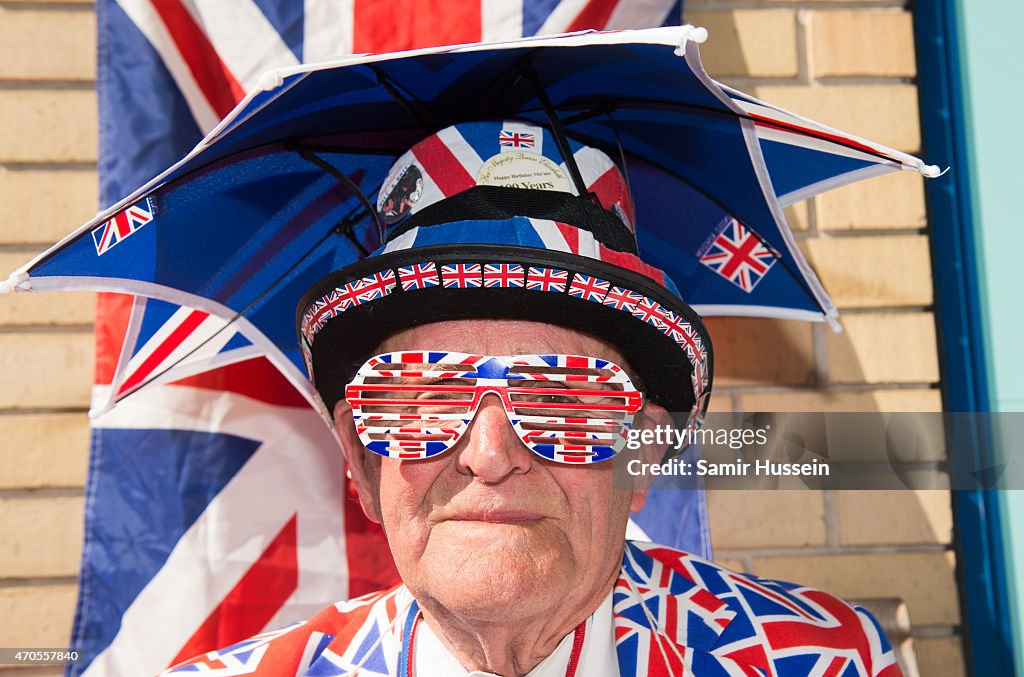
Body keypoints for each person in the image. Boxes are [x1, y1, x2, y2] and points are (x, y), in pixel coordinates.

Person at [165, 121, 901, 676]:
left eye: (561, 396)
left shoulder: (823, 661)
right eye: (423, 396)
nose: (489, 456)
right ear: (360, 459)